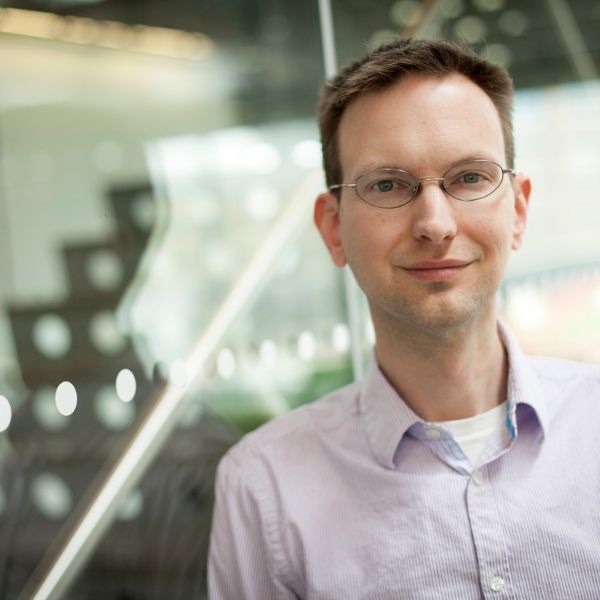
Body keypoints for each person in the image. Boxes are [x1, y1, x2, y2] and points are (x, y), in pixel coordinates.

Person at [207, 39, 600, 599]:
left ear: (517, 209)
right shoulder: (263, 488)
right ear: (333, 228)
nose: (435, 224)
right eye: (388, 185)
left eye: (469, 177)